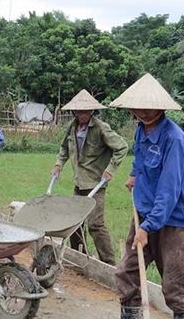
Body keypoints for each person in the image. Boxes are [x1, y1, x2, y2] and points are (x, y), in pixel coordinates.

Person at [110, 73, 184, 319]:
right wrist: (134, 174)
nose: (142, 112)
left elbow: (169, 191)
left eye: (147, 108)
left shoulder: (174, 139)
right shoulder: (140, 129)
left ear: (162, 107)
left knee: (173, 282)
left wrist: (148, 227)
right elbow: (139, 155)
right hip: (144, 214)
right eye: (137, 108)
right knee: (127, 272)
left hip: (171, 221)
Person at [51, 89, 128, 265]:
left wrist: (110, 170)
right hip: (79, 184)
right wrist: (58, 165)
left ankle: (109, 264)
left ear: (92, 111)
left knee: (95, 224)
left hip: (96, 184)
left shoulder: (100, 128)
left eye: (86, 111)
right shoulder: (72, 127)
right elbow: (64, 149)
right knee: (75, 224)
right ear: (75, 112)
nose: (83, 114)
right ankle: (79, 256)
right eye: (80, 111)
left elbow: (122, 147)